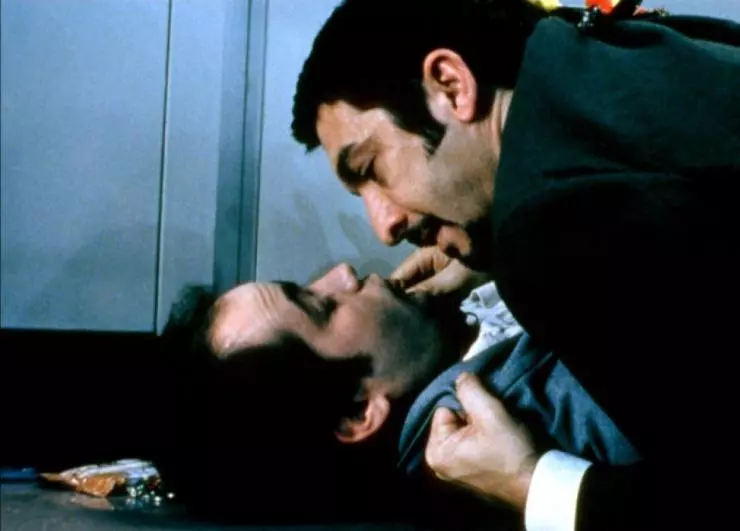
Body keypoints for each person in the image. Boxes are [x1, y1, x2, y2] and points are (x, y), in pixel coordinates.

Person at [290, 0, 740, 529]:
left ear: (451, 85)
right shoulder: (599, 44)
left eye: (372, 167)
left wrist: (533, 483)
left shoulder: (548, 232)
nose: (383, 227)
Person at [154, 264, 640, 528]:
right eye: (321, 305)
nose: (343, 274)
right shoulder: (533, 407)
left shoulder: (470, 317)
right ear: (358, 414)